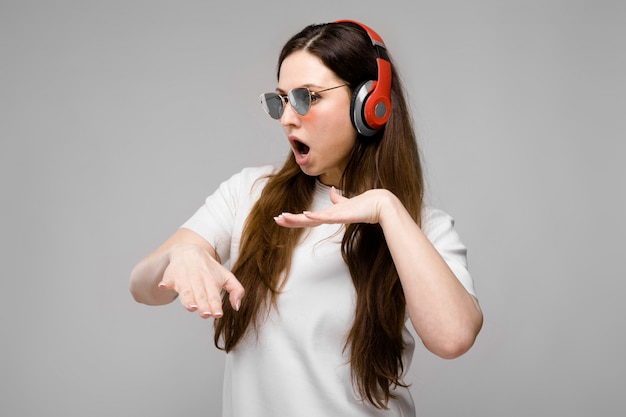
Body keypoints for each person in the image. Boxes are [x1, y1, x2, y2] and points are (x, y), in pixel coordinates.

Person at [129, 19, 483, 417]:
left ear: (370, 105)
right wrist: (182, 256)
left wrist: (386, 209)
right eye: (282, 100)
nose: (287, 119)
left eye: (307, 98)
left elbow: (453, 338)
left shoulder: (421, 228)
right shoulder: (249, 193)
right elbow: (144, 287)